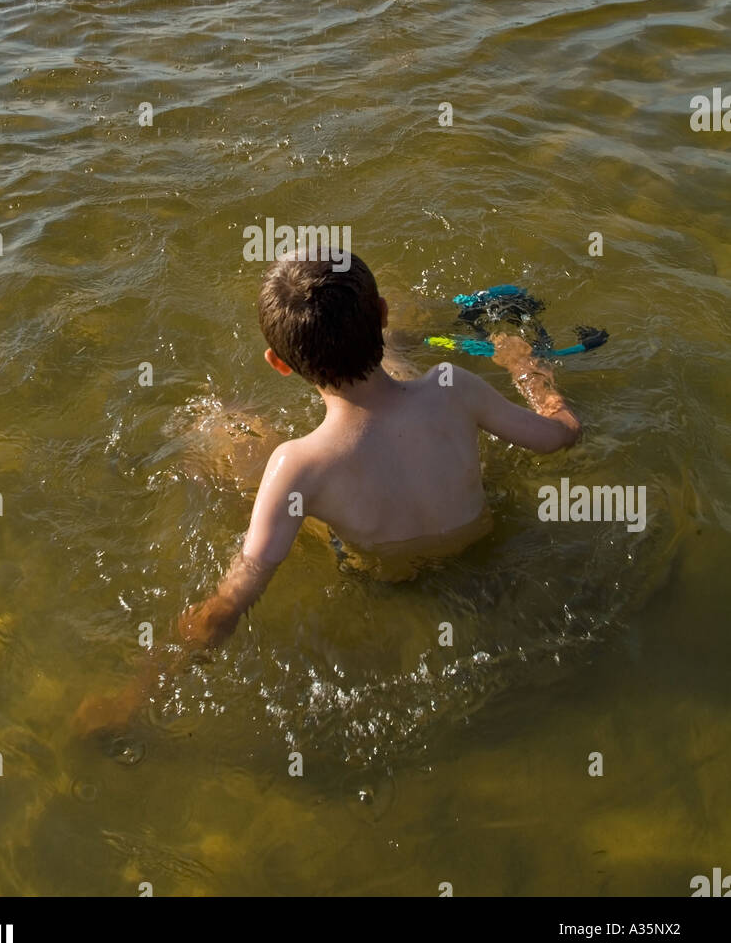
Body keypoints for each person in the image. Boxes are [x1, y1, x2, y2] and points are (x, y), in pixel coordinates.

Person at [74, 254, 581, 735]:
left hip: (391, 579)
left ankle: (229, 425)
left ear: (279, 363)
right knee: (400, 377)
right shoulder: (453, 386)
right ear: (379, 316)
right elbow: (561, 435)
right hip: (483, 551)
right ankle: (394, 344)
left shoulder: (297, 467)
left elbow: (227, 605)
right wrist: (529, 373)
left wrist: (129, 700)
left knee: (223, 429)